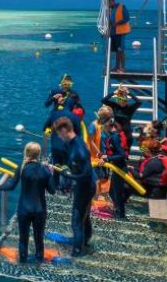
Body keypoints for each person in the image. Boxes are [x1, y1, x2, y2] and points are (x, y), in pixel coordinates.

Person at [0, 142, 55, 263]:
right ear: (39, 154)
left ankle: (22, 262)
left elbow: (11, 186)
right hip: (40, 210)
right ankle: (38, 263)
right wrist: (51, 173)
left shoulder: (21, 168)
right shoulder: (45, 169)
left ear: (26, 153)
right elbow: (52, 191)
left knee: (23, 238)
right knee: (39, 238)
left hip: (24, 209)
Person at [53, 116, 96, 257]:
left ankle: (76, 253)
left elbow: (86, 174)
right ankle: (84, 241)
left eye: (59, 133)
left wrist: (68, 175)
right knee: (85, 217)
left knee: (76, 222)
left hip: (85, 187)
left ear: (65, 130)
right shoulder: (72, 143)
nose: (59, 136)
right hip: (82, 186)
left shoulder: (79, 149)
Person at [43, 100, 82, 192]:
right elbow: (79, 136)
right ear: (72, 107)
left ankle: (54, 188)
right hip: (67, 148)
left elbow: (45, 127)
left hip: (55, 147)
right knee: (68, 168)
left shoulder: (54, 114)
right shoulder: (74, 117)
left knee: (56, 167)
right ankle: (66, 189)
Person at [97, 115, 130, 219]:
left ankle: (121, 215)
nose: (101, 127)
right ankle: (117, 210)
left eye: (103, 125)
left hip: (120, 169)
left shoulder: (115, 138)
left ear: (109, 125)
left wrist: (107, 158)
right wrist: (105, 156)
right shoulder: (111, 136)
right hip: (116, 168)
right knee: (112, 192)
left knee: (117, 194)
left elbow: (122, 155)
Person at [107, 0, 131, 72]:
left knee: (121, 50)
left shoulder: (122, 7)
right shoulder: (111, 10)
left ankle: (122, 67)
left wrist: (117, 23)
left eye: (108, 3)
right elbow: (112, 20)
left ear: (111, 1)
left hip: (121, 32)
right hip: (113, 33)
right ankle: (117, 66)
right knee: (117, 51)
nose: (108, 5)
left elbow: (127, 18)